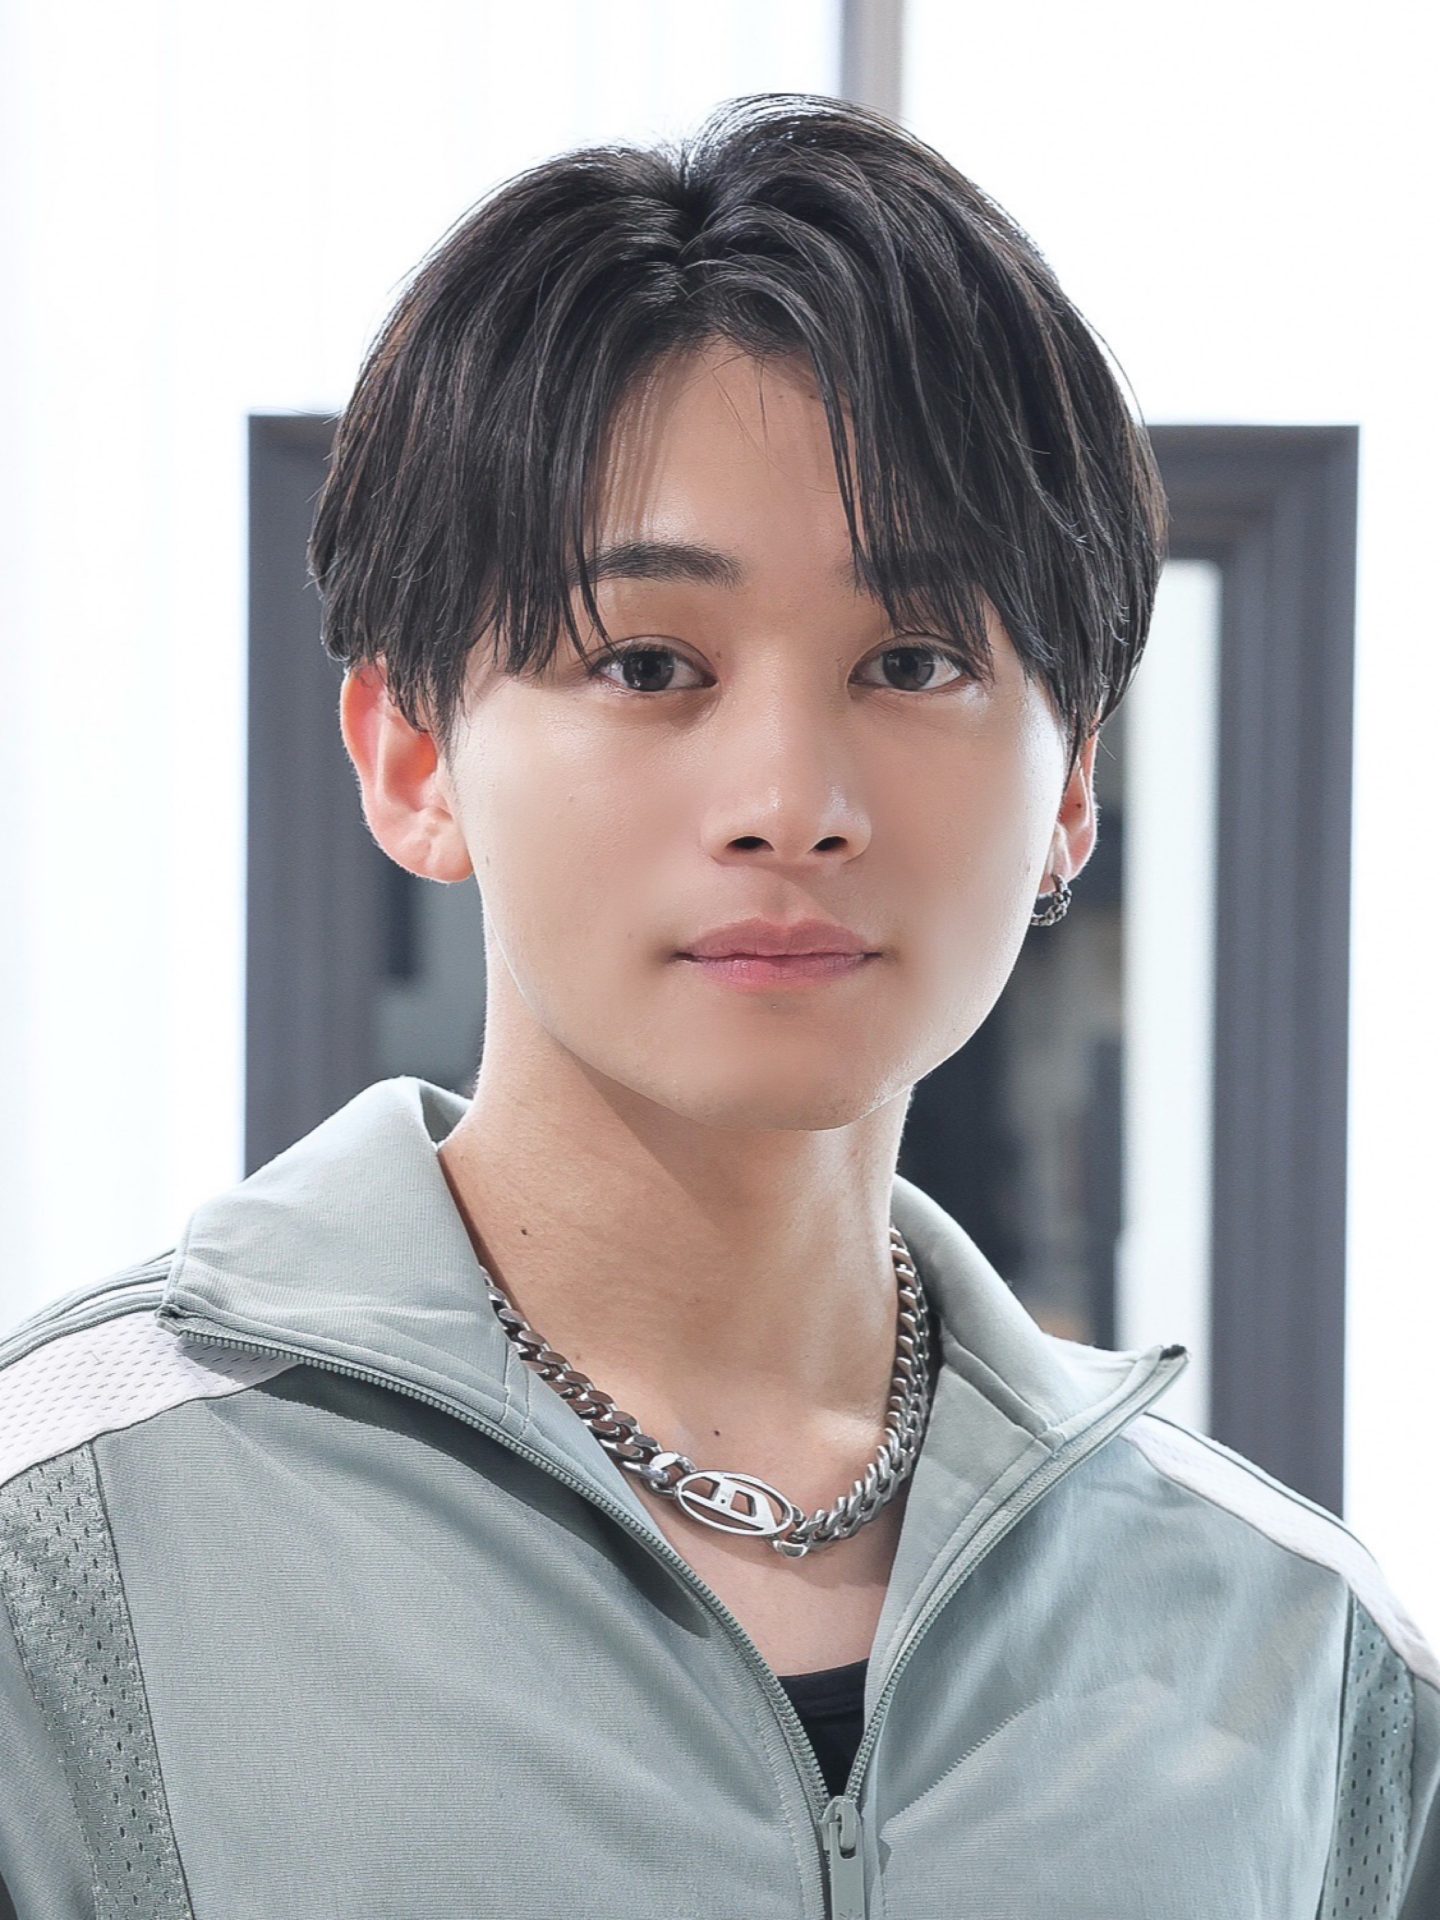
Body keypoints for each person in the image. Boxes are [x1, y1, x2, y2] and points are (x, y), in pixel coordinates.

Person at [1, 92, 1435, 1920]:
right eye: (647, 663)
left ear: (1072, 778)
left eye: (913, 660)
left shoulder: (1294, 1647)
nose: (791, 801)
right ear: (415, 756)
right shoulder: (65, 1543)